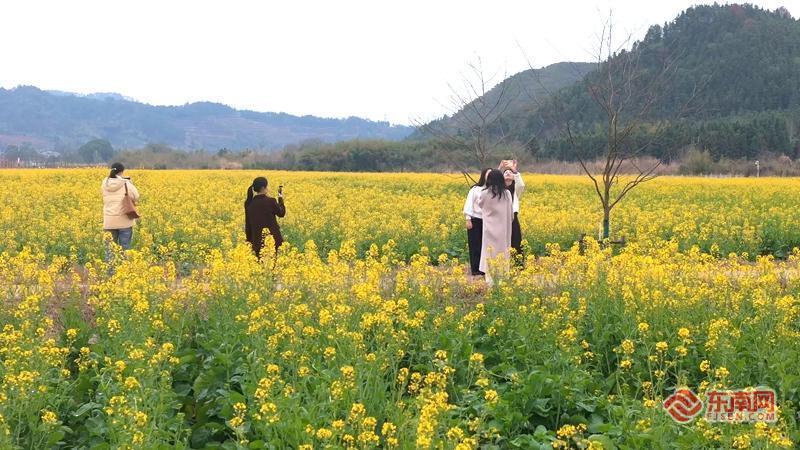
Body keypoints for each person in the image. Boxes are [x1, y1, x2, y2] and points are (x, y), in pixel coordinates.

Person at [477, 169, 513, 285]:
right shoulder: (507, 194)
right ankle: (502, 278)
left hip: (489, 229)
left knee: (489, 253)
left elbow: (480, 204)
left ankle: (490, 280)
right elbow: (511, 212)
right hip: (503, 229)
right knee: (502, 252)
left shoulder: (485, 193)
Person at [101, 162, 140, 254]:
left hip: (109, 222)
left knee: (110, 250)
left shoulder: (105, 184)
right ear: (122, 172)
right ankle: (124, 263)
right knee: (125, 249)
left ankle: (110, 264)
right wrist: (130, 183)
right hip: (124, 222)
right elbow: (136, 196)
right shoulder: (126, 183)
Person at [244, 176, 286, 259]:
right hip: (273, 241)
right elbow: (281, 213)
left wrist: (249, 242)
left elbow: (248, 224)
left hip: (257, 242)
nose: (268, 188)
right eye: (267, 186)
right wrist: (280, 197)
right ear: (263, 188)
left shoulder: (249, 203)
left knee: (260, 264)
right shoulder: (271, 201)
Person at [464, 168, 492, 276]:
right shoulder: (475, 189)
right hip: (475, 219)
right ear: (483, 175)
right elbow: (469, 204)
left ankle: (485, 269)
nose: (489, 176)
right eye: (488, 173)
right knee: (475, 244)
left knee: (486, 246)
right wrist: (468, 218)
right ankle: (475, 269)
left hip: (488, 221)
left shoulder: (493, 190)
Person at [501, 160, 525, 262]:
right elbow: (490, 184)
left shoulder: (516, 189)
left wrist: (515, 171)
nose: (508, 173)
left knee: (516, 240)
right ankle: (502, 262)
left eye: (510, 172)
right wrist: (500, 168)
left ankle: (518, 264)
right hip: (500, 217)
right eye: (505, 172)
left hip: (513, 217)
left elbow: (521, 185)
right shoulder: (498, 188)